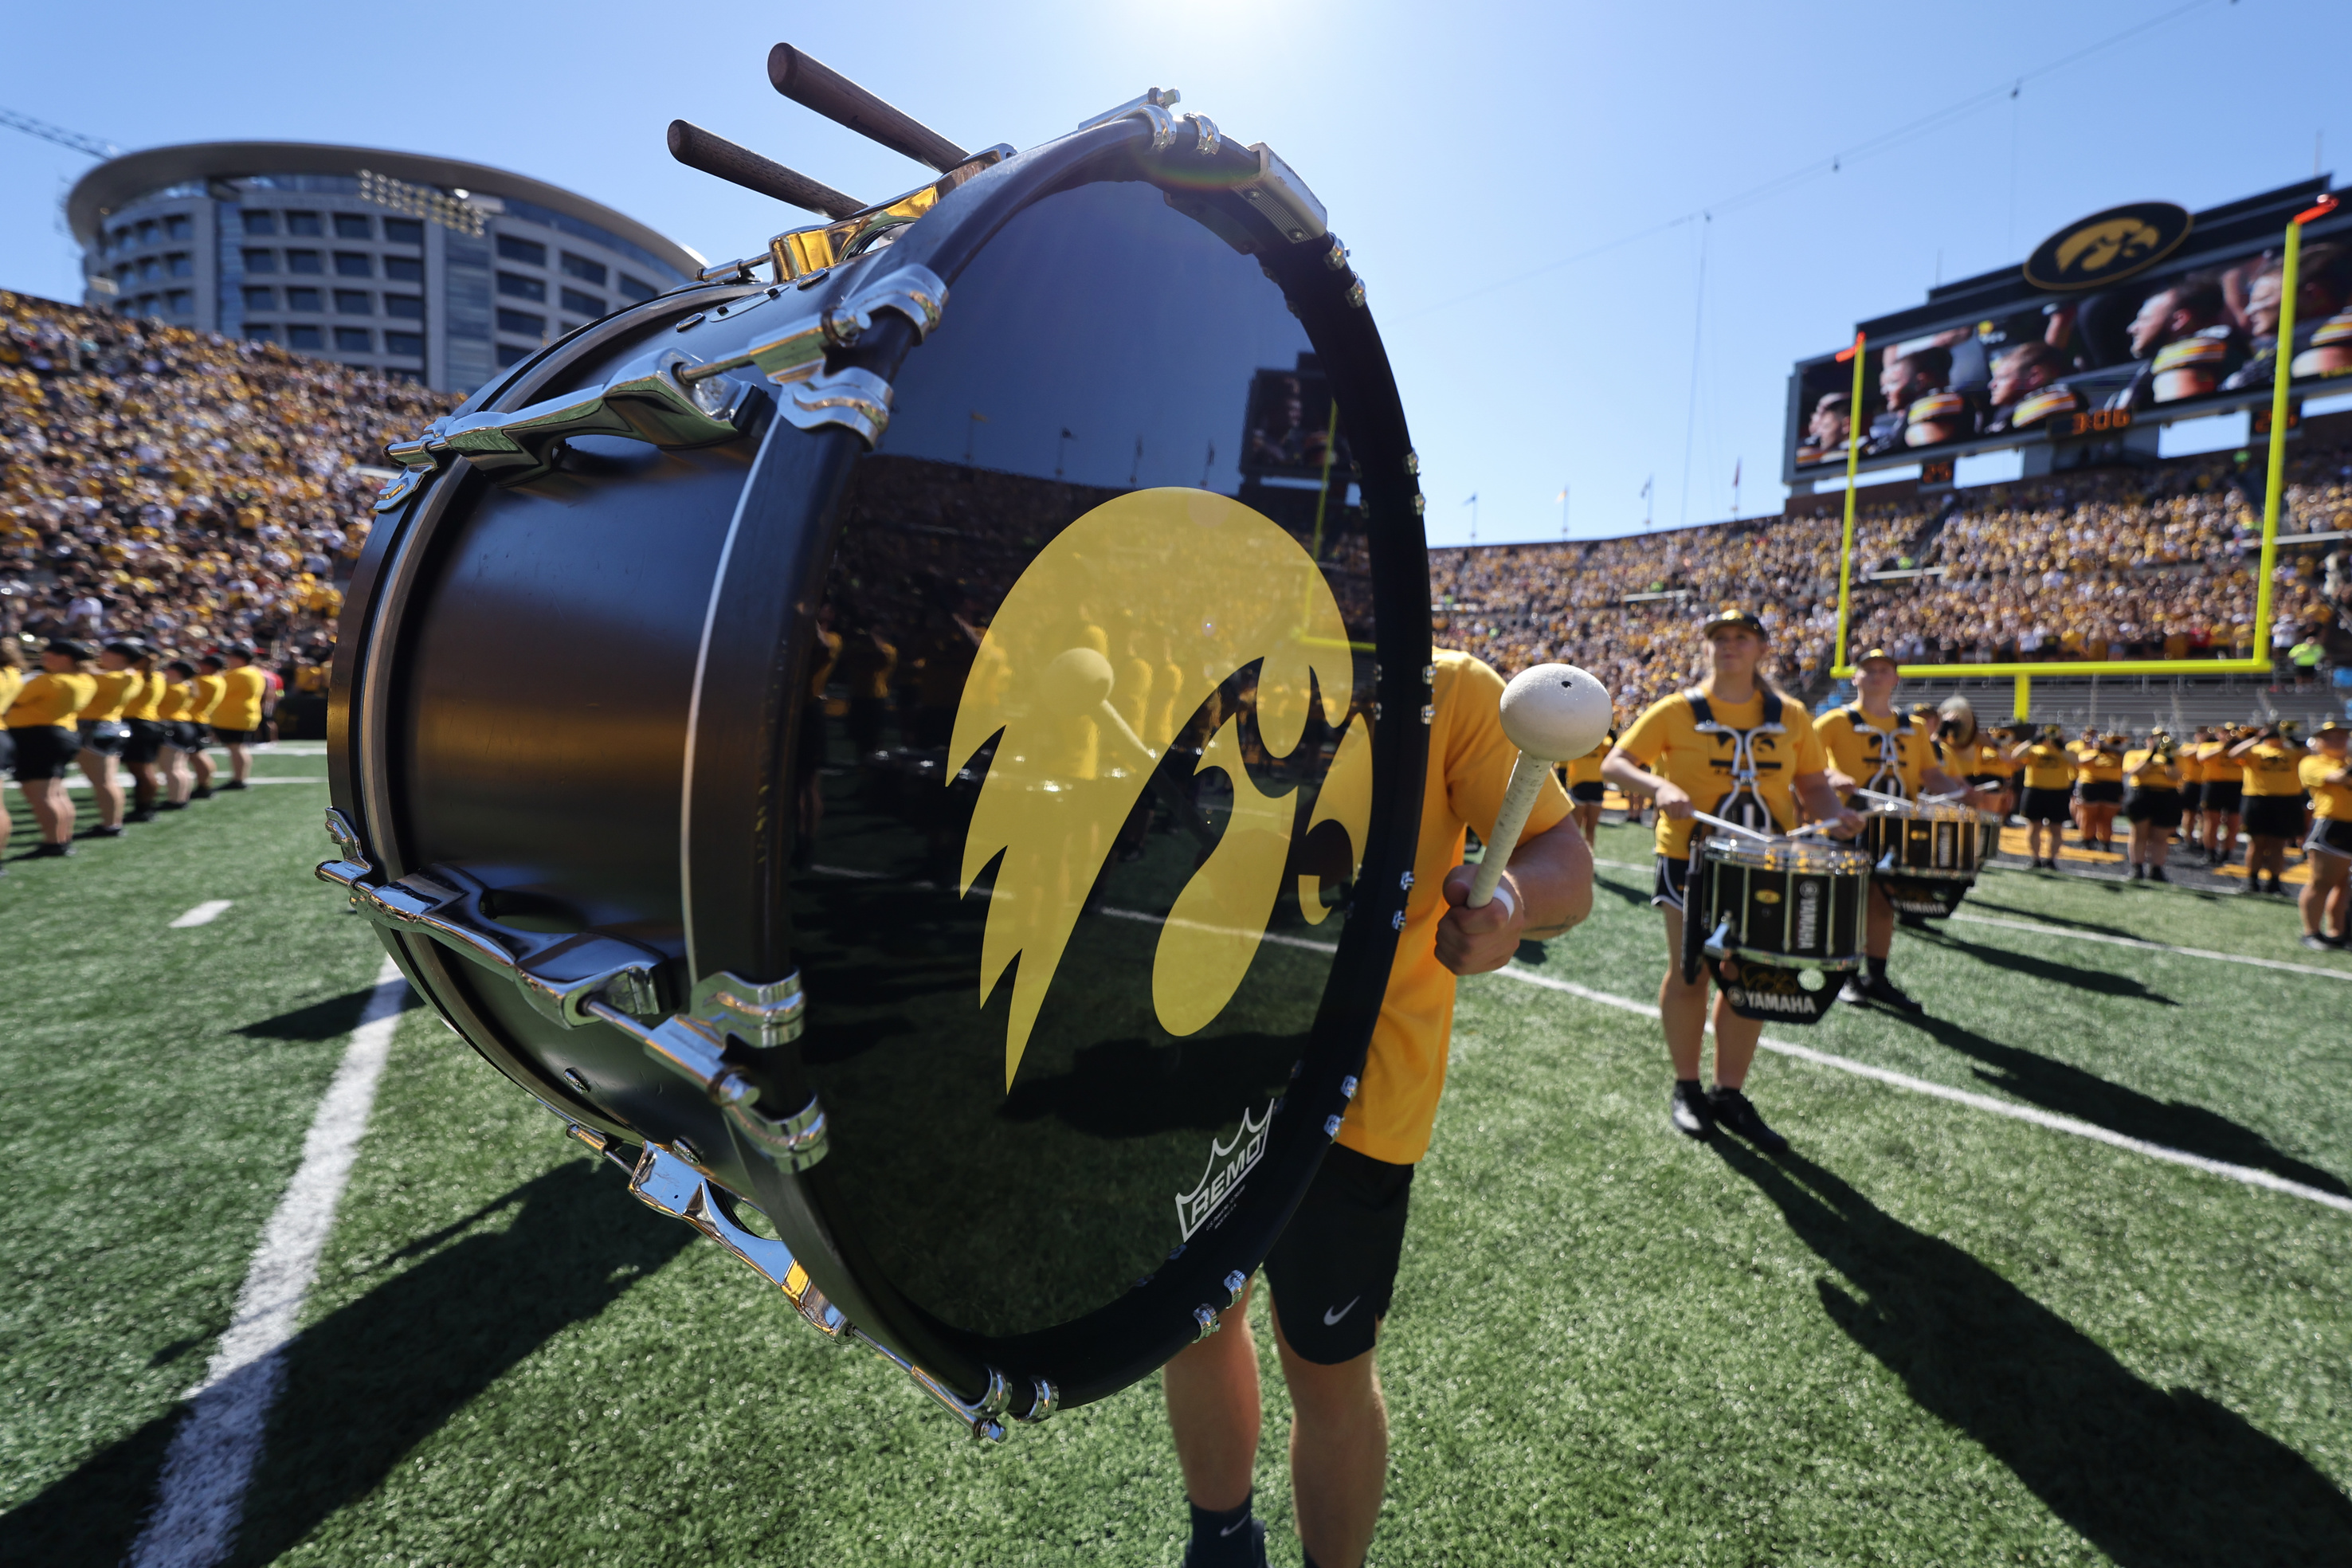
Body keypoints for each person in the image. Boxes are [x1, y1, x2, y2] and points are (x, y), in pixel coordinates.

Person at [1162, 649, 1592, 1568]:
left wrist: (1512, 899)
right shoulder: (1208, 663)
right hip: (1202, 1070)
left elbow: (1569, 863)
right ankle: (1222, 1543)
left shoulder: (1449, 687)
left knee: (1327, 1375)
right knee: (1193, 1328)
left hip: (1355, 1099)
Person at [1602, 608, 1861, 1147]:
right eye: (1720, 638)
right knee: (1690, 972)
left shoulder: (1789, 715)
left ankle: (1729, 1092)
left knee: (1752, 974)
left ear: (1761, 648)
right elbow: (1616, 764)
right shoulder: (1677, 709)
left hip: (1768, 860)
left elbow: (1813, 785)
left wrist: (1835, 815)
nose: (1730, 645)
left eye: (1742, 637)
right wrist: (1658, 789)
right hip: (1691, 862)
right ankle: (1687, 1087)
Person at [1814, 649, 1986, 1011]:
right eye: (1869, 670)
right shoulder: (1833, 722)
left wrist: (1961, 793)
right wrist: (1833, 776)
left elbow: (1929, 773)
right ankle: (1845, 976)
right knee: (1848, 902)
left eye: (1884, 670)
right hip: (1850, 823)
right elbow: (1808, 768)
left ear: (1896, 679)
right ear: (1854, 678)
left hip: (1896, 828)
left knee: (1883, 903)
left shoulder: (1914, 727)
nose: (1876, 676)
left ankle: (1877, 976)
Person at [6, 638, 98, 857]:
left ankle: (54, 842)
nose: (43, 658)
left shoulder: (49, 681)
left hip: (38, 736)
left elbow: (12, 699)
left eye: (48, 654)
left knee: (41, 794)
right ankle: (62, 838)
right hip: (62, 734)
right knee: (55, 792)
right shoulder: (86, 680)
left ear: (64, 658)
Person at [75, 641, 143, 838]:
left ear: (119, 656)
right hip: (110, 725)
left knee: (103, 781)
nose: (101, 655)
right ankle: (113, 822)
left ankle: (111, 824)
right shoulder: (131, 676)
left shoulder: (120, 677)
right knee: (107, 780)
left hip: (96, 727)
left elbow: (91, 679)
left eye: (106, 653)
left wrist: (83, 666)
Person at [2232, 722, 2309, 896]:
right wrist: (2259, 738)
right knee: (2256, 843)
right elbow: (2233, 754)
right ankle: (2252, 881)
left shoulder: (2294, 752)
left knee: (2278, 845)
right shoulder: (2255, 751)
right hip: (2257, 799)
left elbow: (2311, 754)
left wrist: (2291, 738)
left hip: (2286, 801)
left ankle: (2274, 882)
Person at [2298, 720, 2351, 948]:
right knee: (2322, 883)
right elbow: (2339, 778)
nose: (2336, 741)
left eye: (2341, 737)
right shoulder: (2312, 762)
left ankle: (2338, 931)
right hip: (2332, 827)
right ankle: (2311, 933)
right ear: (2317, 742)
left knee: (2345, 885)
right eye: (2329, 737)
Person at [2121, 730, 2185, 881]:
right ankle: (2137, 868)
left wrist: (2168, 759)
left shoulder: (2176, 756)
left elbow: (2175, 776)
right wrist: (2151, 755)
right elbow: (2136, 772)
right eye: (2154, 738)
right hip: (2142, 794)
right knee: (2138, 834)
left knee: (2160, 836)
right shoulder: (2134, 754)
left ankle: (2156, 870)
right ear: (2147, 740)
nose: (2158, 741)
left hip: (2166, 795)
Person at [116, 643, 169, 822]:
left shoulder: (136, 677)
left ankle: (145, 808)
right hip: (148, 723)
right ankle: (146, 806)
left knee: (142, 771)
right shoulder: (158, 676)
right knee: (145, 770)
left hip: (137, 724)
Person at [2013, 724, 2076, 869]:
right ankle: (2035, 858)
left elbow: (2075, 761)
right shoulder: (2033, 750)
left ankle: (2051, 860)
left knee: (2056, 829)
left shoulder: (2066, 751)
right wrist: (2034, 740)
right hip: (2035, 791)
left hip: (2058, 792)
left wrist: (2060, 746)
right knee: (2034, 827)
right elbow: (2016, 756)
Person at [208, 643, 270, 790]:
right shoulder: (254, 671)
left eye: (230, 656)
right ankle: (239, 778)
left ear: (240, 659)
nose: (226, 659)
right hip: (243, 715)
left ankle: (239, 779)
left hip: (234, 717)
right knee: (238, 747)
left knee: (236, 747)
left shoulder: (239, 674)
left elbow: (218, 689)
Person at [159, 658, 208, 806]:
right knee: (180, 767)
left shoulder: (173, 688)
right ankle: (181, 797)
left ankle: (175, 800)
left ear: (175, 672)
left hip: (173, 726)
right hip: (183, 725)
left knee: (172, 768)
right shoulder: (187, 686)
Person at [2070, 729, 2125, 857]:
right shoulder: (2088, 753)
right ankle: (2087, 841)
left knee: (2107, 818)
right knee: (2089, 816)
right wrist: (2098, 752)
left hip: (2112, 786)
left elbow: (2124, 764)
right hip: (2091, 785)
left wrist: (2111, 749)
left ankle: (2106, 843)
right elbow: (2080, 763)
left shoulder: (2117, 755)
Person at [2197, 724, 2244, 866]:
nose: (2229, 734)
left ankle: (2227, 853)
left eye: (2232, 732)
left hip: (2236, 786)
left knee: (2234, 823)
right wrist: (2224, 746)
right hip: (2214, 785)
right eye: (2225, 732)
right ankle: (2210, 853)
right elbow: (2202, 757)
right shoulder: (2209, 746)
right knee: (2212, 822)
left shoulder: (2240, 747)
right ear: (2219, 734)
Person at [1559, 728, 1613, 847]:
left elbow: (1612, 748)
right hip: (1578, 785)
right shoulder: (1575, 742)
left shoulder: (1601, 741)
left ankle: (1588, 859)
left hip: (1597, 786)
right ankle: (1573, 857)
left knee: (1591, 829)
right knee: (1575, 830)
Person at [190, 655, 228, 799]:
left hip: (194, 720)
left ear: (209, 667)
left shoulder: (204, 681)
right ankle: (205, 785)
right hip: (201, 719)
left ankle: (204, 786)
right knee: (198, 755)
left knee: (197, 755)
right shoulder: (218, 679)